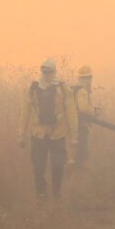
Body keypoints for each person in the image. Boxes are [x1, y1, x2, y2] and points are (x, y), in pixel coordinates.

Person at [18, 58, 78, 203]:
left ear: (54, 72)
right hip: (38, 133)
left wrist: (74, 137)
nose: (47, 75)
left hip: (58, 133)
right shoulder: (33, 88)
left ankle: (56, 192)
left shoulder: (63, 89)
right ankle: (41, 195)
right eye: (44, 72)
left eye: (49, 72)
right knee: (38, 165)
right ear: (41, 72)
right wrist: (21, 135)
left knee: (58, 164)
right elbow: (25, 112)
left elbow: (71, 113)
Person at [71, 64, 98, 167]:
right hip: (81, 124)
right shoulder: (82, 90)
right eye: (90, 77)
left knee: (80, 149)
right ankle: (75, 169)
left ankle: (76, 165)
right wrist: (93, 112)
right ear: (88, 78)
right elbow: (83, 108)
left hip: (76, 123)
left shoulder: (76, 88)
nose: (90, 80)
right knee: (82, 151)